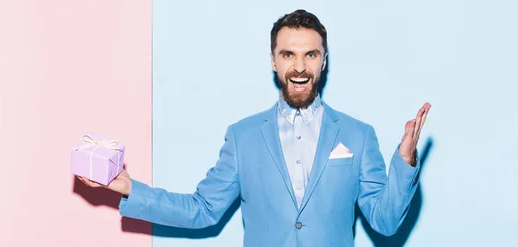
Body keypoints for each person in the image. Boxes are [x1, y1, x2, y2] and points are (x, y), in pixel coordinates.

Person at [78, 9, 431, 247]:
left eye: (310, 54)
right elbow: (202, 209)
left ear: (324, 61)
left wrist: (405, 161)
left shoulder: (358, 135)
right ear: (273, 60)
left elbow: (385, 222)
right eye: (288, 54)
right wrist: (128, 189)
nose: (299, 66)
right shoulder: (243, 136)